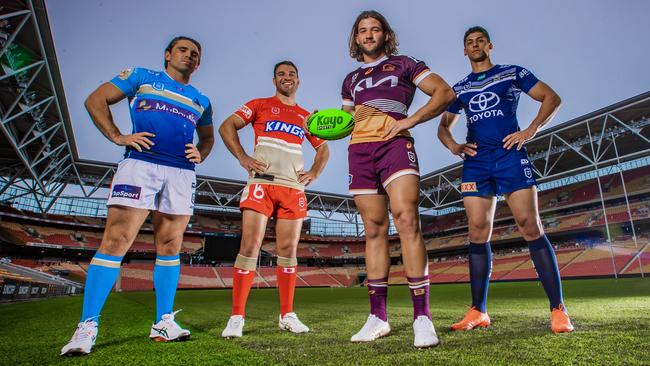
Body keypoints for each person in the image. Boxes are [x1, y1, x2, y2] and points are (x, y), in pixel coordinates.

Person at [61, 36, 214, 356]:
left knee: (171, 244)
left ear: (198, 64)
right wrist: (118, 135)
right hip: (140, 165)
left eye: (195, 54)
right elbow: (95, 100)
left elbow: (208, 137)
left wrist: (201, 153)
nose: (189, 56)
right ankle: (87, 326)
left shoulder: (201, 99)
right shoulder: (141, 77)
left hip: (182, 174)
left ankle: (163, 322)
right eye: (183, 50)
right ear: (168, 54)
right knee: (116, 240)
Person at [438, 26, 574, 333]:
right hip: (476, 162)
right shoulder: (459, 89)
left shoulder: (512, 72)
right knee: (477, 232)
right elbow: (443, 127)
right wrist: (454, 146)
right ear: (464, 50)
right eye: (469, 42)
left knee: (530, 225)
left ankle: (558, 309)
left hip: (510, 156)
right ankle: (478, 311)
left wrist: (531, 130)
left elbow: (551, 98)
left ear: (489, 45)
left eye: (479, 41)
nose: (475, 45)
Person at [341, 10, 455, 348]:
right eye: (362, 30)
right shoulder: (350, 79)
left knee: (406, 220)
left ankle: (422, 317)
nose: (369, 34)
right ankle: (378, 318)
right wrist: (325, 124)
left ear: (385, 35)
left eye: (375, 29)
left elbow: (444, 92)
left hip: (394, 146)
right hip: (359, 151)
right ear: (356, 38)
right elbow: (346, 120)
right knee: (374, 228)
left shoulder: (406, 64)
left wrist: (412, 120)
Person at [219, 60, 329, 338]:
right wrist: (243, 157)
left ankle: (287, 315)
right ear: (274, 80)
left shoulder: (307, 116)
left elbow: (324, 149)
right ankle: (236, 317)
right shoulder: (259, 104)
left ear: (298, 80)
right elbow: (226, 126)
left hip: (293, 188)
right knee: (250, 247)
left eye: (291, 74)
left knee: (288, 251)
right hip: (262, 183)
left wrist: (314, 172)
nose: (286, 77)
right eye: (281, 74)